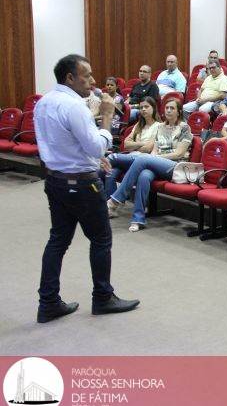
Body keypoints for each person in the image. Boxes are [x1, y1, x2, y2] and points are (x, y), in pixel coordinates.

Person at [33, 54, 140, 322]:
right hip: (81, 184)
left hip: (55, 179)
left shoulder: (43, 102)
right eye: (87, 75)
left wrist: (93, 159)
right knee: (102, 239)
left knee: (58, 240)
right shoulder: (74, 106)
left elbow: (62, 143)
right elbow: (96, 144)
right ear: (70, 77)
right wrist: (105, 116)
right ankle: (103, 298)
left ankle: (48, 303)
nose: (93, 81)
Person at [107, 99, 193, 232]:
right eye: (167, 108)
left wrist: (153, 158)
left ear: (179, 111)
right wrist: (153, 158)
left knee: (143, 159)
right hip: (157, 163)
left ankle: (116, 199)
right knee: (144, 175)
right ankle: (138, 219)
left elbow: (179, 153)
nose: (168, 110)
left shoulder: (184, 127)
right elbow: (155, 149)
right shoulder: (161, 127)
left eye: (172, 108)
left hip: (174, 166)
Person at [105, 97, 162, 197]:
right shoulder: (138, 125)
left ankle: (109, 159)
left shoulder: (159, 126)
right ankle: (109, 205)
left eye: (146, 107)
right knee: (110, 172)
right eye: (141, 107)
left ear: (153, 108)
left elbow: (148, 148)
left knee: (111, 159)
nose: (143, 109)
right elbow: (126, 145)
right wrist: (141, 144)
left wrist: (134, 145)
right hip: (130, 158)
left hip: (143, 161)